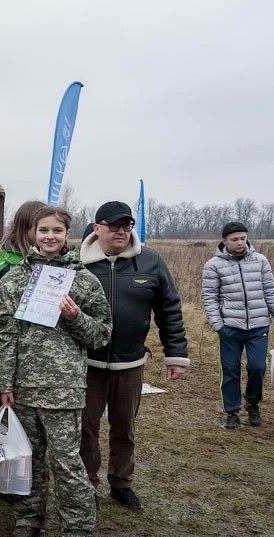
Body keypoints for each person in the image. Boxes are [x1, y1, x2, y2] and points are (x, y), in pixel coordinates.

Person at [0, 205, 111, 537]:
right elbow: (2, 335)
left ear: (67, 234)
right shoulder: (14, 280)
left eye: (57, 231)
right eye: (43, 230)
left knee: (66, 461)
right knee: (29, 459)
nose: (49, 237)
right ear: (32, 233)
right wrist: (5, 383)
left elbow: (102, 334)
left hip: (63, 389)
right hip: (23, 388)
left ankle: (78, 530)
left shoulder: (83, 281)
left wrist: (75, 317)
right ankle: (29, 516)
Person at [78, 201, 189, 511]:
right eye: (114, 225)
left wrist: (176, 354)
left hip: (130, 363)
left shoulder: (150, 262)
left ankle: (121, 482)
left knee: (124, 425)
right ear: (97, 227)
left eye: (127, 226)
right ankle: (86, 484)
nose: (122, 232)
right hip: (86, 364)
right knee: (85, 426)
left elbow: (169, 309)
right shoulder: (76, 263)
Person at [201, 221, 274, 429]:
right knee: (231, 370)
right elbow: (209, 298)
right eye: (235, 239)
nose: (240, 243)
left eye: (243, 238)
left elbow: (271, 293)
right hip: (230, 328)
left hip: (258, 326)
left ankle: (252, 402)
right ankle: (232, 411)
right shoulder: (213, 265)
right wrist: (219, 326)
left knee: (257, 367)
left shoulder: (260, 261)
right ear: (224, 241)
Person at [0, 200, 43, 411]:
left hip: (43, 353)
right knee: (9, 416)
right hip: (7, 352)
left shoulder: (53, 262)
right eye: (40, 227)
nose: (46, 233)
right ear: (25, 228)